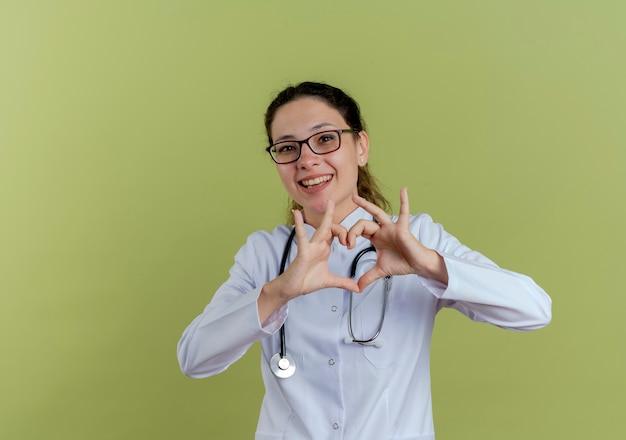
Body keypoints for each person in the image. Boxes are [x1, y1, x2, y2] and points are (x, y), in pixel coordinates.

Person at [177, 81, 552, 440]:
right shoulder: (265, 253)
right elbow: (194, 358)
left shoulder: (417, 238)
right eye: (288, 147)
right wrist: (278, 293)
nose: (307, 159)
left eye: (325, 139)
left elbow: (534, 310)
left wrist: (427, 264)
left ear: (360, 147)